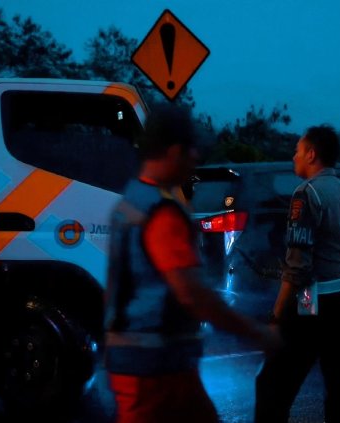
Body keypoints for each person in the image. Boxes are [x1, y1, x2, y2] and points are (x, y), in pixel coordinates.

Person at [103, 104, 280, 423]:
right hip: (154, 369)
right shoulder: (162, 213)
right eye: (191, 151)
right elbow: (192, 295)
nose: (196, 159)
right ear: (173, 151)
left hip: (153, 362)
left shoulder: (130, 201)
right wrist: (256, 333)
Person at [255, 125, 340, 423]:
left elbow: (298, 266)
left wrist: (277, 316)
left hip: (313, 298)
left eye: (298, 151)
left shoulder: (306, 194)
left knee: (273, 384)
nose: (294, 156)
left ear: (312, 154)